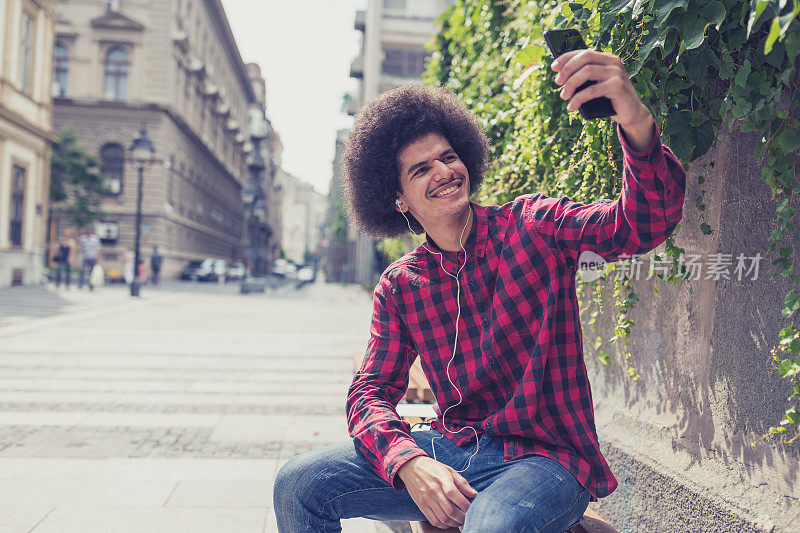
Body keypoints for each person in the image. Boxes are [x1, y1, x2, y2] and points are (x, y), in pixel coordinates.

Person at [273, 50, 687, 532]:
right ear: (399, 200)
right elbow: (369, 392)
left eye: (449, 157)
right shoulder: (400, 285)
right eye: (421, 169)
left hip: (547, 460)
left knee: (492, 526)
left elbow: (642, 224)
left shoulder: (532, 226)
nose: (444, 171)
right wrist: (409, 462)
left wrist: (633, 118)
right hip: (453, 449)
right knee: (298, 484)